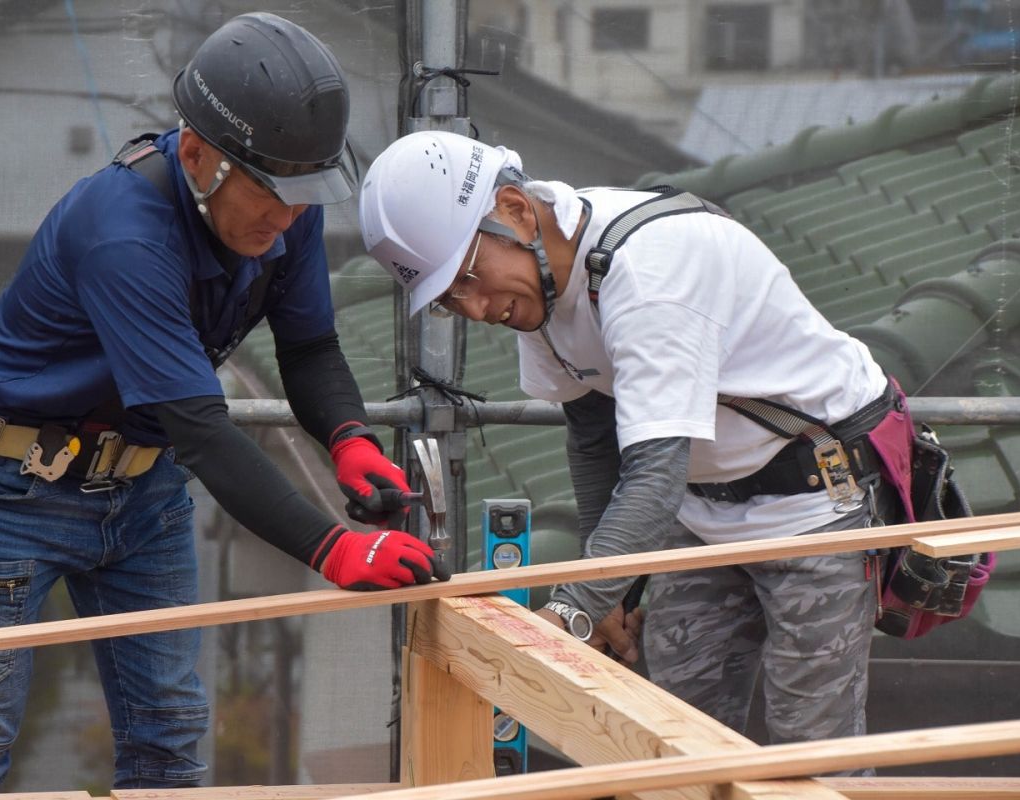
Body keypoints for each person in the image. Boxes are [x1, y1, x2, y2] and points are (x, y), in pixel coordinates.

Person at [0, 14, 448, 795]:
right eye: (275, 197)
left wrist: (351, 441)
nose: (292, 219)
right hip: (6, 486)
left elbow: (309, 349)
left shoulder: (286, 206)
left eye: (306, 196)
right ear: (199, 156)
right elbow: (203, 431)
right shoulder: (124, 232)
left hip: (144, 486)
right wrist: (334, 546)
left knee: (169, 742)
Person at [359, 130, 900, 751]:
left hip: (812, 504)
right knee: (673, 742)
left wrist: (572, 612)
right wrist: (609, 590)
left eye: (470, 277)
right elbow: (592, 434)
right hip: (702, 509)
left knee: (811, 755)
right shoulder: (539, 284)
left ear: (514, 211)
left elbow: (652, 474)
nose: (477, 308)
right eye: (452, 299)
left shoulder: (648, 271)